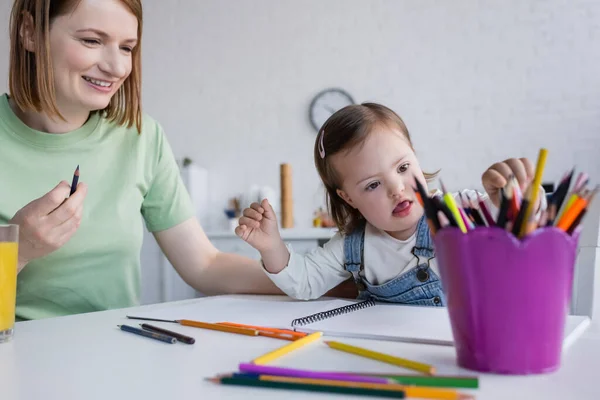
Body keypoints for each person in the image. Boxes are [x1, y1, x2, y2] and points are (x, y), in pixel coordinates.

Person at [0, 0, 284, 321]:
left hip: (119, 353)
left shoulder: (141, 137)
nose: (118, 67)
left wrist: (312, 281)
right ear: (29, 32)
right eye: (92, 41)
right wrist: (19, 250)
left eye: (126, 47)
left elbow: (205, 265)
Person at [236, 103, 545, 304]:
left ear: (414, 154)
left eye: (402, 168)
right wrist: (271, 246)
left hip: (459, 353)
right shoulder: (352, 245)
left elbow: (523, 227)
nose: (397, 189)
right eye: (372, 184)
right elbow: (304, 283)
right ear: (348, 198)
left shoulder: (456, 212)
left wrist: (515, 196)